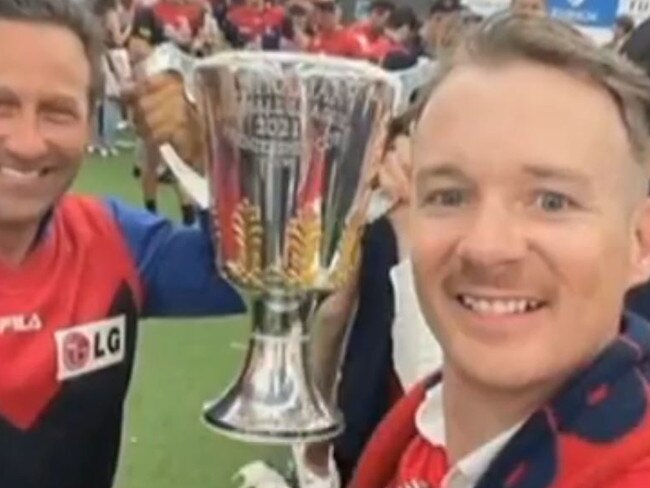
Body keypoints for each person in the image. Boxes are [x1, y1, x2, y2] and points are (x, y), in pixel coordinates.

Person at [350, 14, 650, 488]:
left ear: (640, 242)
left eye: (552, 201)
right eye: (449, 196)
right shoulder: (416, 432)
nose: (487, 247)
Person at [0, 1, 245, 487]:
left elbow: (247, 278)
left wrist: (213, 153)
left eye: (57, 112)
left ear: (92, 125)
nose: (27, 142)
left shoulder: (114, 242)